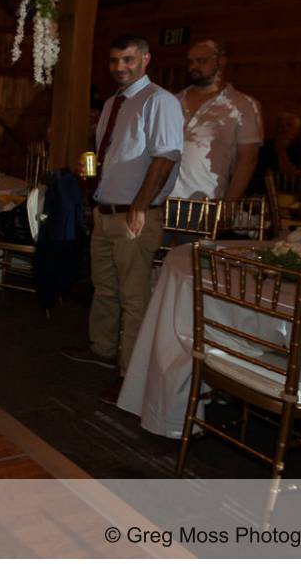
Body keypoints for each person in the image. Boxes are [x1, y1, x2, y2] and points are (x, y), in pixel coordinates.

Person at [62, 35, 183, 404]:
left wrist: (140, 207)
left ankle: (131, 374)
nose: (120, 67)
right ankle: (102, 349)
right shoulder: (114, 103)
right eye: (114, 60)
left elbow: (166, 157)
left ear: (146, 59)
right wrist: (91, 178)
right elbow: (111, 155)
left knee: (134, 297)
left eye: (128, 60)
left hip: (135, 215)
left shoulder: (159, 101)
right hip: (105, 211)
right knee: (105, 288)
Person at [169, 39, 262, 201]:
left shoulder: (244, 105)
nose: (193, 66)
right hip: (161, 199)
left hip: (206, 201)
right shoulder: (172, 101)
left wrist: (228, 205)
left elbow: (248, 160)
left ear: (221, 62)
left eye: (201, 61)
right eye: (190, 62)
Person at [247, 112, 301, 194]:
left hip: (289, 193)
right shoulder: (265, 146)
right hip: (260, 192)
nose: (284, 129)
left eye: (289, 125)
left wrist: (281, 150)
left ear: (297, 130)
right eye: (281, 126)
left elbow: (291, 178)